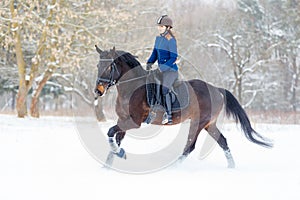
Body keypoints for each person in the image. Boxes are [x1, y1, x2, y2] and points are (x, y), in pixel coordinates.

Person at [146, 15, 178, 125]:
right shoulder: (158, 39)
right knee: (151, 85)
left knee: (164, 89)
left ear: (168, 27)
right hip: (160, 70)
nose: (159, 28)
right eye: (158, 26)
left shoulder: (171, 40)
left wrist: (162, 68)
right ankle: (153, 112)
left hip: (170, 70)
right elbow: (155, 53)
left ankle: (168, 115)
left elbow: (174, 57)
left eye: (161, 26)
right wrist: (149, 62)